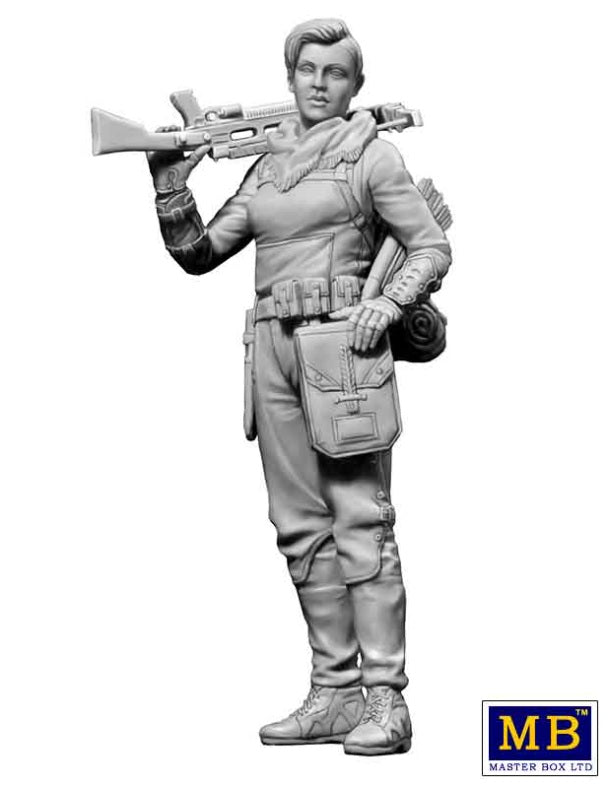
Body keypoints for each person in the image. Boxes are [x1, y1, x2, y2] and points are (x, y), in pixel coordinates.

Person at [147, 18, 451, 756]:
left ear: (354, 85)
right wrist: (169, 187)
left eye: (335, 72)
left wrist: (388, 303)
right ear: (289, 79)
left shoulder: (371, 155)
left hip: (343, 347)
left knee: (361, 523)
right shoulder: (266, 169)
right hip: (271, 353)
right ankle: (334, 693)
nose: (319, 83)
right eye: (307, 70)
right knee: (299, 530)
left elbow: (431, 245)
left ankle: (386, 700)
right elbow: (199, 253)